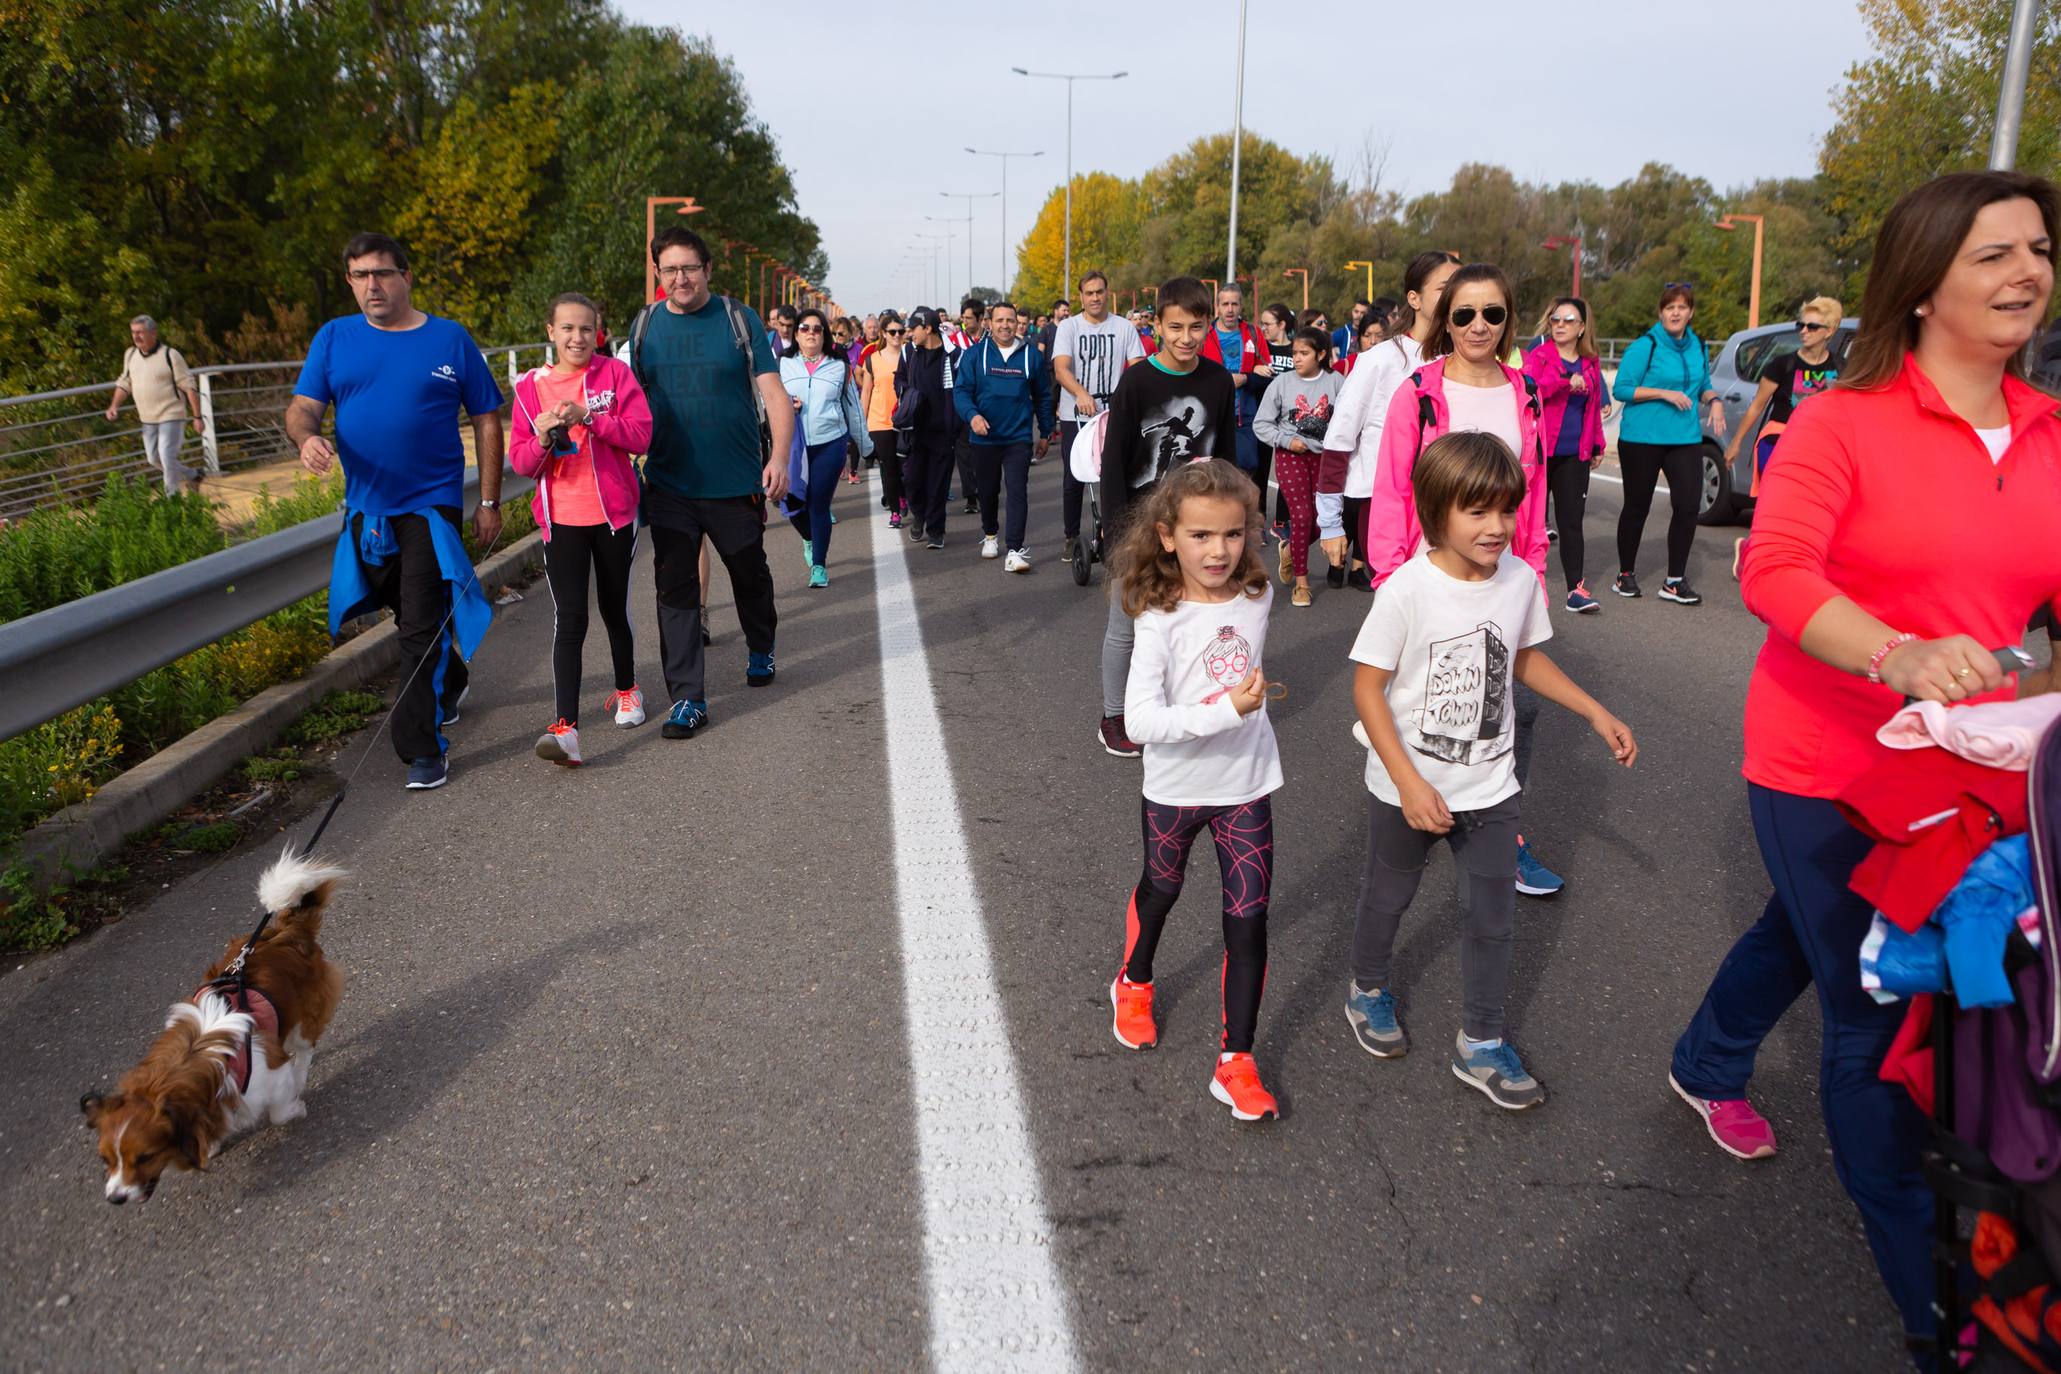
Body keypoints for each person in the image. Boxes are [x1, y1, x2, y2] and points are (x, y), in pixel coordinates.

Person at [1666, 170, 2061, 1353]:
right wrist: (1894, 652)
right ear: (1926, 280)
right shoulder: (1845, 419)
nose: (2027, 272)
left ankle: (1704, 1058)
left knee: (1814, 928)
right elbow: (1773, 569)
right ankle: (1936, 1307)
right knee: (1874, 1007)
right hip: (1828, 759)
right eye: (1994, 254)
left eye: (2038, 248)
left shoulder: (2051, 432)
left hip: (1984, 773)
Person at [1343, 430, 1636, 1108]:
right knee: (1388, 897)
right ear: (1434, 511)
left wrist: (1594, 711)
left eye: (1506, 510)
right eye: (1477, 511)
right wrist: (1410, 783)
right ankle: (1366, 988)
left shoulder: (1517, 580)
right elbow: (1366, 689)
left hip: (1490, 783)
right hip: (1405, 785)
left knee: (1492, 918)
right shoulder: (1406, 592)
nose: (1497, 527)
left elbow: (1524, 656)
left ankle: (1479, 1042)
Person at [1366, 263, 1570, 899]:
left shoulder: (1526, 392)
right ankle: (1410, 807)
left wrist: (1532, 573)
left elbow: (1530, 494)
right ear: (1444, 319)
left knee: (1516, 707)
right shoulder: (1418, 392)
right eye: (1464, 314)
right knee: (1422, 702)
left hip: (1504, 578)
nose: (1479, 326)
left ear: (1509, 320)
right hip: (1426, 581)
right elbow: (1393, 490)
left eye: (1493, 314)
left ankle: (1501, 830)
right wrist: (1388, 578)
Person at [286, 232, 505, 791]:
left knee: (419, 625)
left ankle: (422, 750)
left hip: (430, 506)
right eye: (359, 276)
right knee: (404, 613)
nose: (372, 285)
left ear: (406, 276)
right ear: (349, 283)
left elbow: (486, 418)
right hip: (366, 509)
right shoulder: (334, 339)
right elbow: (302, 409)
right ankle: (450, 677)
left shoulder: (449, 340)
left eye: (381, 273)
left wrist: (487, 501)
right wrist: (306, 438)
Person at [1107, 457, 1285, 1123]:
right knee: (1162, 891)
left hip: (1245, 784)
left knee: (1248, 923)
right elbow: (1139, 724)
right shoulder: (1157, 619)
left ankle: (1235, 1061)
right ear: (1166, 537)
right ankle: (1134, 979)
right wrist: (1225, 711)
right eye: (1201, 536)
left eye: (1233, 534)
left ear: (1251, 534)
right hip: (1175, 789)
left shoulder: (1258, 595)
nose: (1218, 550)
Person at [630, 225, 792, 740]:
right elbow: (628, 400)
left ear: (707, 270)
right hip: (669, 483)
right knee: (674, 589)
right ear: (658, 273)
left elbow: (774, 395)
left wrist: (781, 457)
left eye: (689, 268)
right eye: (670, 269)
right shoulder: (646, 325)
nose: (680, 278)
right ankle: (688, 698)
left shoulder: (737, 320)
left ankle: (761, 643)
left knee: (749, 572)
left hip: (735, 480)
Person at [1097, 276, 1241, 758]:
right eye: (1174, 327)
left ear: (1209, 327)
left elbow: (1224, 457)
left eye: (1196, 327)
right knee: (1126, 625)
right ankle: (1115, 716)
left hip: (1196, 526)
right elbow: (1113, 459)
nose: (1185, 337)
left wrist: (1232, 525)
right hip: (1138, 522)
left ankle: (1181, 706)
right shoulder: (1136, 380)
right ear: (1155, 325)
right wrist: (1114, 533)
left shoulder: (1219, 382)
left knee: (1187, 619)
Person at [510, 293, 654, 767]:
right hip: (562, 521)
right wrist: (544, 436)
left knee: (615, 608)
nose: (577, 338)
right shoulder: (530, 389)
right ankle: (566, 728)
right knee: (570, 618)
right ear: (550, 331)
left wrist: (590, 417)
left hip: (614, 515)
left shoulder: (615, 375)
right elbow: (522, 462)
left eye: (587, 329)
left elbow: (640, 435)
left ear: (600, 333)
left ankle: (628, 690)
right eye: (568, 329)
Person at [1316, 250, 1461, 594]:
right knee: (1404, 608)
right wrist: (1331, 524)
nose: (1455, 295)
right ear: (1414, 298)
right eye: (1444, 288)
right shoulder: (1379, 360)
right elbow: (1339, 441)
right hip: (1386, 509)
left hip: (1452, 505)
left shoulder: (1467, 360)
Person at [1611, 284, 1726, 606]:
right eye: (1669, 307)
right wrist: (1663, 393)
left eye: (1682, 307)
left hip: (1685, 438)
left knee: (1689, 506)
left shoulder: (1698, 346)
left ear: (1690, 312)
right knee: (1637, 506)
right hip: (1641, 438)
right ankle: (1625, 574)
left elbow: (1702, 385)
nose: (1676, 312)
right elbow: (1622, 389)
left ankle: (1674, 580)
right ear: (1661, 313)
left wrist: (1714, 400)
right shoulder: (1644, 346)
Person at [1723, 296, 1846, 575]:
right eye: (1801, 324)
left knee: (1810, 509)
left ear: (1830, 330)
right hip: (1777, 441)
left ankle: (1763, 552)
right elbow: (1756, 406)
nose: (1804, 330)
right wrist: (1736, 443)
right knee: (1773, 504)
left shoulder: (1840, 367)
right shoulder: (1782, 364)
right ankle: (1755, 555)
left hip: (1817, 448)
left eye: (1812, 326)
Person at [1522, 297, 1611, 613]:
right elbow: (1529, 389)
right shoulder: (1539, 355)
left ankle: (1577, 589)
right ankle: (1522, 583)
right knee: (1529, 521)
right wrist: (1562, 382)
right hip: (1540, 451)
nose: (1559, 325)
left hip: (1576, 453)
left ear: (1582, 327)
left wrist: (1597, 444)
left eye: (1568, 320)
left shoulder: (1590, 361)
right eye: (1556, 319)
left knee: (1571, 522)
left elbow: (1595, 406)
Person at [1052, 269, 1145, 566]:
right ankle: (1070, 535)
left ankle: (1112, 533)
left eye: (1099, 292)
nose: (1095, 297)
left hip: (1112, 412)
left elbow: (1138, 365)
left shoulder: (1124, 327)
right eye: (1089, 293)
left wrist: (1130, 395)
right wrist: (1081, 394)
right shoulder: (1069, 328)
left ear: (1107, 293)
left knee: (1114, 473)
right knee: (1075, 474)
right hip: (1076, 413)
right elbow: (1062, 368)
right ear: (1081, 296)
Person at [954, 301, 1055, 573]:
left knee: (1017, 492)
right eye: (1000, 320)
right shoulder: (975, 355)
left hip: (1018, 438)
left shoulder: (1031, 356)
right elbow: (961, 392)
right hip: (984, 438)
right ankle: (989, 534)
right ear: (990, 323)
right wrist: (972, 416)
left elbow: (1043, 396)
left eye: (1010, 320)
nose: (1005, 325)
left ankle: (1014, 550)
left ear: (1018, 323)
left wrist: (1046, 432)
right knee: (987, 492)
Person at [781, 307, 872, 587]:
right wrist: (786, 405)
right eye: (805, 328)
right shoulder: (781, 365)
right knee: (790, 502)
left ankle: (818, 566)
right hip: (793, 445)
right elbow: (765, 402)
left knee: (819, 505)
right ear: (796, 334)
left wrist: (867, 446)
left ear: (825, 335)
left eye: (817, 328)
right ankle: (809, 537)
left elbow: (853, 409)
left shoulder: (838, 366)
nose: (811, 333)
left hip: (830, 443)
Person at [1253, 327, 1342, 608]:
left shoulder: (1336, 381)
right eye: (1294, 353)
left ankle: (1292, 548)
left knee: (1320, 519)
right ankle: (1301, 584)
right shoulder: (1282, 384)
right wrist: (1286, 441)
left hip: (1325, 458)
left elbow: (1347, 420)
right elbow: (1261, 424)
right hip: (1290, 456)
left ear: (1321, 354)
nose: (1297, 359)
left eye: (1304, 353)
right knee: (1302, 516)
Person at [108, 315, 205, 494]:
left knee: (167, 456)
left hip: (171, 415)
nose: (136, 336)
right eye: (133, 333)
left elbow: (189, 385)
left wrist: (197, 416)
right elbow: (124, 383)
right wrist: (114, 406)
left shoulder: (170, 355)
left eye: (140, 332)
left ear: (153, 333)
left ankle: (172, 500)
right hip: (148, 418)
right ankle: (193, 475)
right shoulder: (130, 355)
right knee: (154, 459)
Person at [895, 307, 960, 550]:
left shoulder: (952, 354)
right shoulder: (909, 352)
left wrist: (956, 422)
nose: (910, 333)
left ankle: (935, 529)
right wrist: (907, 394)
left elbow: (958, 387)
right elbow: (898, 379)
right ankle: (918, 514)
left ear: (928, 328)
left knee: (938, 483)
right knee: (912, 479)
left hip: (943, 431)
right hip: (915, 429)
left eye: (914, 328)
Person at [1200, 285, 1268, 493]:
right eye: (1225, 304)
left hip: (1244, 416)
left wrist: (1245, 378)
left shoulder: (1253, 334)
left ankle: (1246, 520)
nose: (1230, 309)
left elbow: (1267, 376)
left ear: (1241, 306)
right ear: (1217, 307)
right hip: (1211, 415)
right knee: (1211, 471)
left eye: (1234, 304)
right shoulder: (1205, 334)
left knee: (1247, 469)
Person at [860, 310, 907, 526]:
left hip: (905, 421)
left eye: (900, 331)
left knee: (905, 467)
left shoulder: (911, 357)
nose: (897, 335)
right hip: (879, 421)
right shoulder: (873, 359)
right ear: (884, 334)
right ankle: (895, 511)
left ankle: (903, 495)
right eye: (893, 332)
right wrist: (861, 423)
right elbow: (867, 391)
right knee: (889, 467)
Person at [1332, 298, 1370, 364]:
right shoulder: (1344, 332)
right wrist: (1334, 358)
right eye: (1356, 311)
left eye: (1363, 313)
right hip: (1346, 372)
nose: (1358, 315)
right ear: (1352, 312)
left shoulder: (1372, 333)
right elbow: (1326, 342)